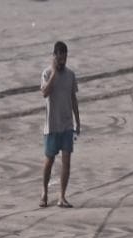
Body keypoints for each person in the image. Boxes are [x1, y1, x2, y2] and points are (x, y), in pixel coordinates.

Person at [39, 40, 80, 209]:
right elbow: (44, 93)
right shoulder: (47, 73)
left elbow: (73, 98)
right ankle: (44, 193)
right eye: (60, 58)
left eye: (65, 58)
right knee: (49, 160)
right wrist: (55, 73)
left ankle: (62, 197)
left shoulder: (71, 75)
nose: (63, 61)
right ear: (54, 56)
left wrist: (78, 120)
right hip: (52, 125)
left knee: (67, 161)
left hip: (67, 125)